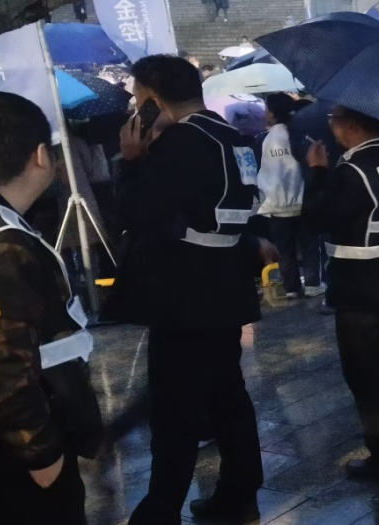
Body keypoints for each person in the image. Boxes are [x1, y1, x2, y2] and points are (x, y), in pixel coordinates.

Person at [112, 55, 264, 523]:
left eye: (137, 98)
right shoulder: (232, 137)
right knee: (227, 395)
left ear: (154, 99)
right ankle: (240, 493)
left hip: (184, 293)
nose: (135, 107)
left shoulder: (180, 142)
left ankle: (160, 511)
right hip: (226, 285)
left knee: (175, 408)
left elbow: (137, 211)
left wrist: (132, 161)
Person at [0, 91, 103, 525]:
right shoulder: (0, 244)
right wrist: (41, 453)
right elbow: (0, 362)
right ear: (39, 156)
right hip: (9, 459)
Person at [301, 105, 379, 480]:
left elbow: (315, 218)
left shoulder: (352, 172)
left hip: (362, 288)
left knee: (366, 374)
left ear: (351, 125)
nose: (330, 127)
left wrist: (317, 172)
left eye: (333, 120)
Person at [256, 93, 324, 299]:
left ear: (272, 113)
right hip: (303, 201)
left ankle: (291, 288)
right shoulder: (301, 135)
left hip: (276, 204)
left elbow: (264, 170)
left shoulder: (265, 139)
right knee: (310, 247)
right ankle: (313, 284)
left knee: (286, 251)